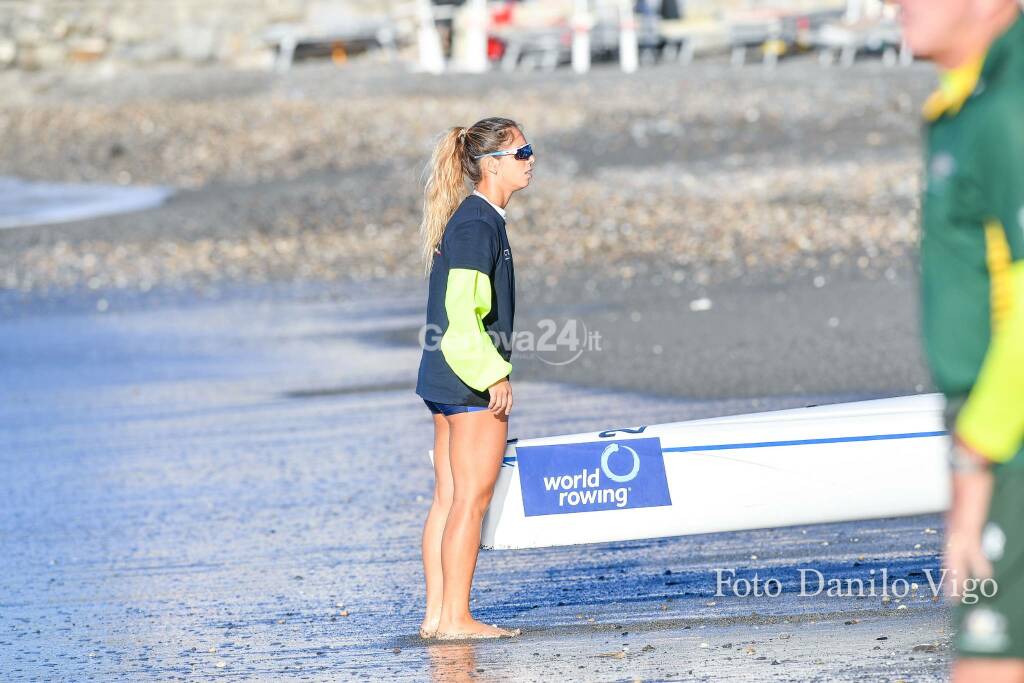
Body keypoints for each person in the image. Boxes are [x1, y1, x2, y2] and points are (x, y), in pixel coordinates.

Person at [897, 1, 1024, 680]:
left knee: (987, 663)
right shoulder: (968, 101)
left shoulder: (1008, 107)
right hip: (990, 423)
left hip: (1004, 431)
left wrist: (973, 459)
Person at [414, 117, 535, 640]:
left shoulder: (475, 220)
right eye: (521, 151)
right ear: (491, 165)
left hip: (444, 376)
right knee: (469, 500)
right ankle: (456, 620)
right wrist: (493, 376)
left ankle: (438, 617)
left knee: (448, 497)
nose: (532, 159)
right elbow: (460, 314)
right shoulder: (477, 224)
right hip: (467, 379)